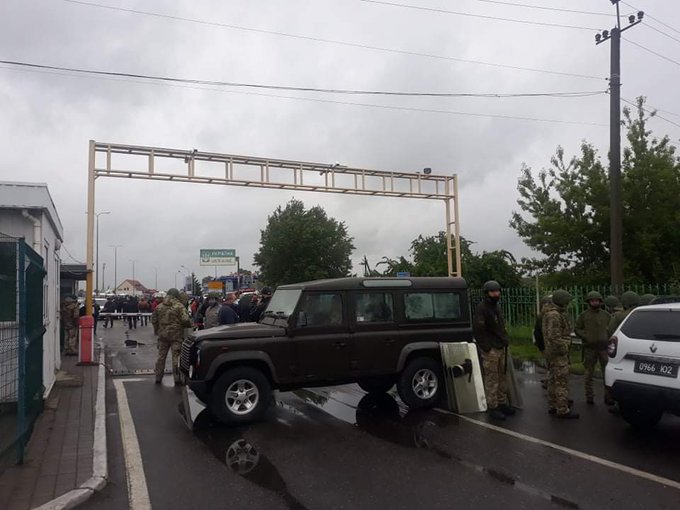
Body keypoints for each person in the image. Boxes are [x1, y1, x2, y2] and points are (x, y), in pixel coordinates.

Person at [473, 280, 514, 421]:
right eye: (493, 291)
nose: (496, 294)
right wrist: (487, 348)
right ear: (487, 293)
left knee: (502, 377)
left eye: (498, 291)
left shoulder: (496, 307)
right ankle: (493, 406)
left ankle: (502, 402)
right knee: (492, 378)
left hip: (501, 347)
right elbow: (479, 331)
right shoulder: (482, 308)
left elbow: (500, 327)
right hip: (491, 349)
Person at [543, 289, 579, 419]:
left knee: (553, 380)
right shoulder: (555, 315)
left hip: (552, 352)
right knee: (561, 382)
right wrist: (565, 346)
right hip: (558, 354)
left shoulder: (551, 313)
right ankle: (562, 409)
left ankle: (553, 405)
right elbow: (554, 337)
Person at [575, 291, 613, 405]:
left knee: (607, 373)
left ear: (600, 301)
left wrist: (607, 336)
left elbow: (611, 329)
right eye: (592, 300)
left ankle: (609, 396)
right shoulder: (584, 315)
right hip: (589, 348)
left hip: (604, 348)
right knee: (588, 374)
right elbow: (577, 329)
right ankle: (589, 396)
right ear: (589, 302)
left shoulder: (606, 315)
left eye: (596, 300)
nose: (594, 302)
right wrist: (585, 336)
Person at [151, 288, 191, 385]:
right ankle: (177, 379)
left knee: (161, 357)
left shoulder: (159, 307)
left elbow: (154, 320)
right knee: (176, 358)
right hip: (176, 336)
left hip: (163, 336)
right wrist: (187, 326)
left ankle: (158, 377)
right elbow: (185, 320)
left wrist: (157, 330)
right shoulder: (179, 306)